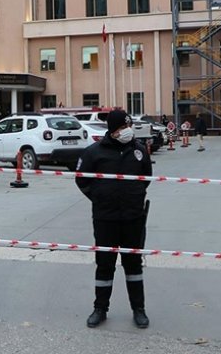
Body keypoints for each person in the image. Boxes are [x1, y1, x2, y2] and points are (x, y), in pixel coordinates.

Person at [75, 109, 152, 329]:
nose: (127, 130)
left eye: (128, 126)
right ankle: (100, 309)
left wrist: (133, 196)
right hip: (105, 218)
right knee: (104, 265)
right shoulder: (94, 152)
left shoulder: (139, 151)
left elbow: (146, 178)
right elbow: (81, 179)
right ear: (112, 129)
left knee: (133, 265)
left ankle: (139, 309)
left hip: (133, 218)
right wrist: (99, 197)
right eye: (122, 127)